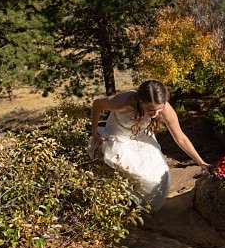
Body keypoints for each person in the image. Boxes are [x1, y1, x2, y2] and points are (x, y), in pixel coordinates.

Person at [89, 79, 210, 210]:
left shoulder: (165, 109)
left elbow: (180, 138)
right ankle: (120, 207)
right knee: (137, 174)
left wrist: (201, 162)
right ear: (141, 102)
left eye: (159, 109)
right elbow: (97, 104)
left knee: (158, 177)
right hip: (118, 136)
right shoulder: (124, 102)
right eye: (150, 110)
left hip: (141, 138)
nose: (155, 114)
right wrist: (95, 132)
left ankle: (139, 209)